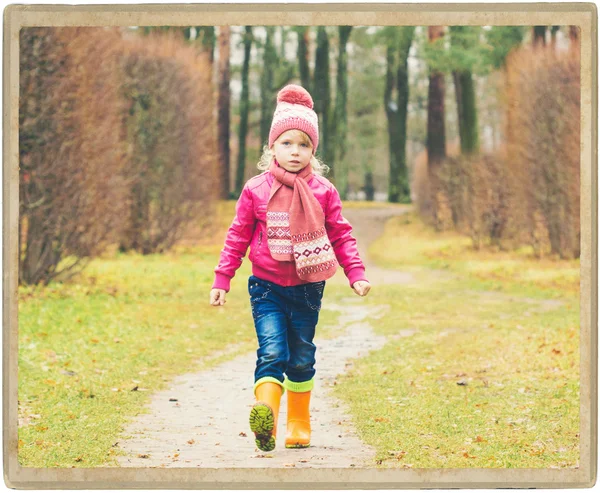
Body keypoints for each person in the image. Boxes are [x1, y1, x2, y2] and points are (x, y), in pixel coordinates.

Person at [209, 84, 371, 452]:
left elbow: (341, 235)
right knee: (271, 352)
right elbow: (237, 235)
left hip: (307, 287)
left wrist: (356, 273)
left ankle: (298, 420)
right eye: (287, 143)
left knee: (301, 357)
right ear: (272, 148)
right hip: (265, 286)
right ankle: (265, 417)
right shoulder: (256, 189)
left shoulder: (323, 191)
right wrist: (223, 278)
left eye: (303, 144)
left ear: (313, 149)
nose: (295, 152)